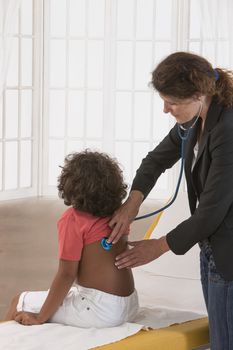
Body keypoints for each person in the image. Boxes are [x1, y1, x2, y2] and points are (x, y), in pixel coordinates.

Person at [107, 51, 233, 349]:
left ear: (199, 94)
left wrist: (158, 246)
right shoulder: (194, 121)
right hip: (212, 248)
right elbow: (155, 161)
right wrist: (131, 204)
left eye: (173, 102)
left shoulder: (227, 131)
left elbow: (210, 214)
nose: (166, 109)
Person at [4, 150, 138, 328]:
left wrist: (40, 317)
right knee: (71, 293)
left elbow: (67, 274)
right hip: (130, 304)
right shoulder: (119, 214)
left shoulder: (73, 219)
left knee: (19, 301)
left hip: (102, 310)